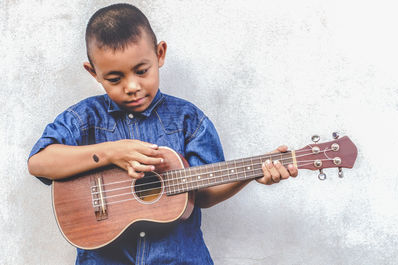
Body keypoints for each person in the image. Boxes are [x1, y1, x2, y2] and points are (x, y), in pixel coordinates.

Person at [27, 3, 298, 265]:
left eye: (141, 71)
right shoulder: (84, 118)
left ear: (160, 54)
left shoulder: (189, 120)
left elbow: (204, 195)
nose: (132, 86)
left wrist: (251, 173)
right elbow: (39, 162)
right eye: (114, 79)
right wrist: (111, 153)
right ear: (93, 72)